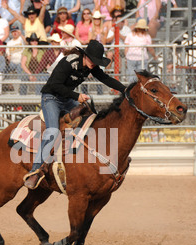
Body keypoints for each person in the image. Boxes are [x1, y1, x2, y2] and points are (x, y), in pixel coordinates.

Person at [23, 40, 126, 189]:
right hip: (51, 98)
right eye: (93, 60)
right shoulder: (68, 62)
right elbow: (54, 85)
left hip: (67, 99)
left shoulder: (91, 66)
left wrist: (125, 90)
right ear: (85, 56)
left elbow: (105, 78)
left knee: (90, 119)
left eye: (97, 61)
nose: (94, 64)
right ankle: (35, 170)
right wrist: (76, 96)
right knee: (52, 131)